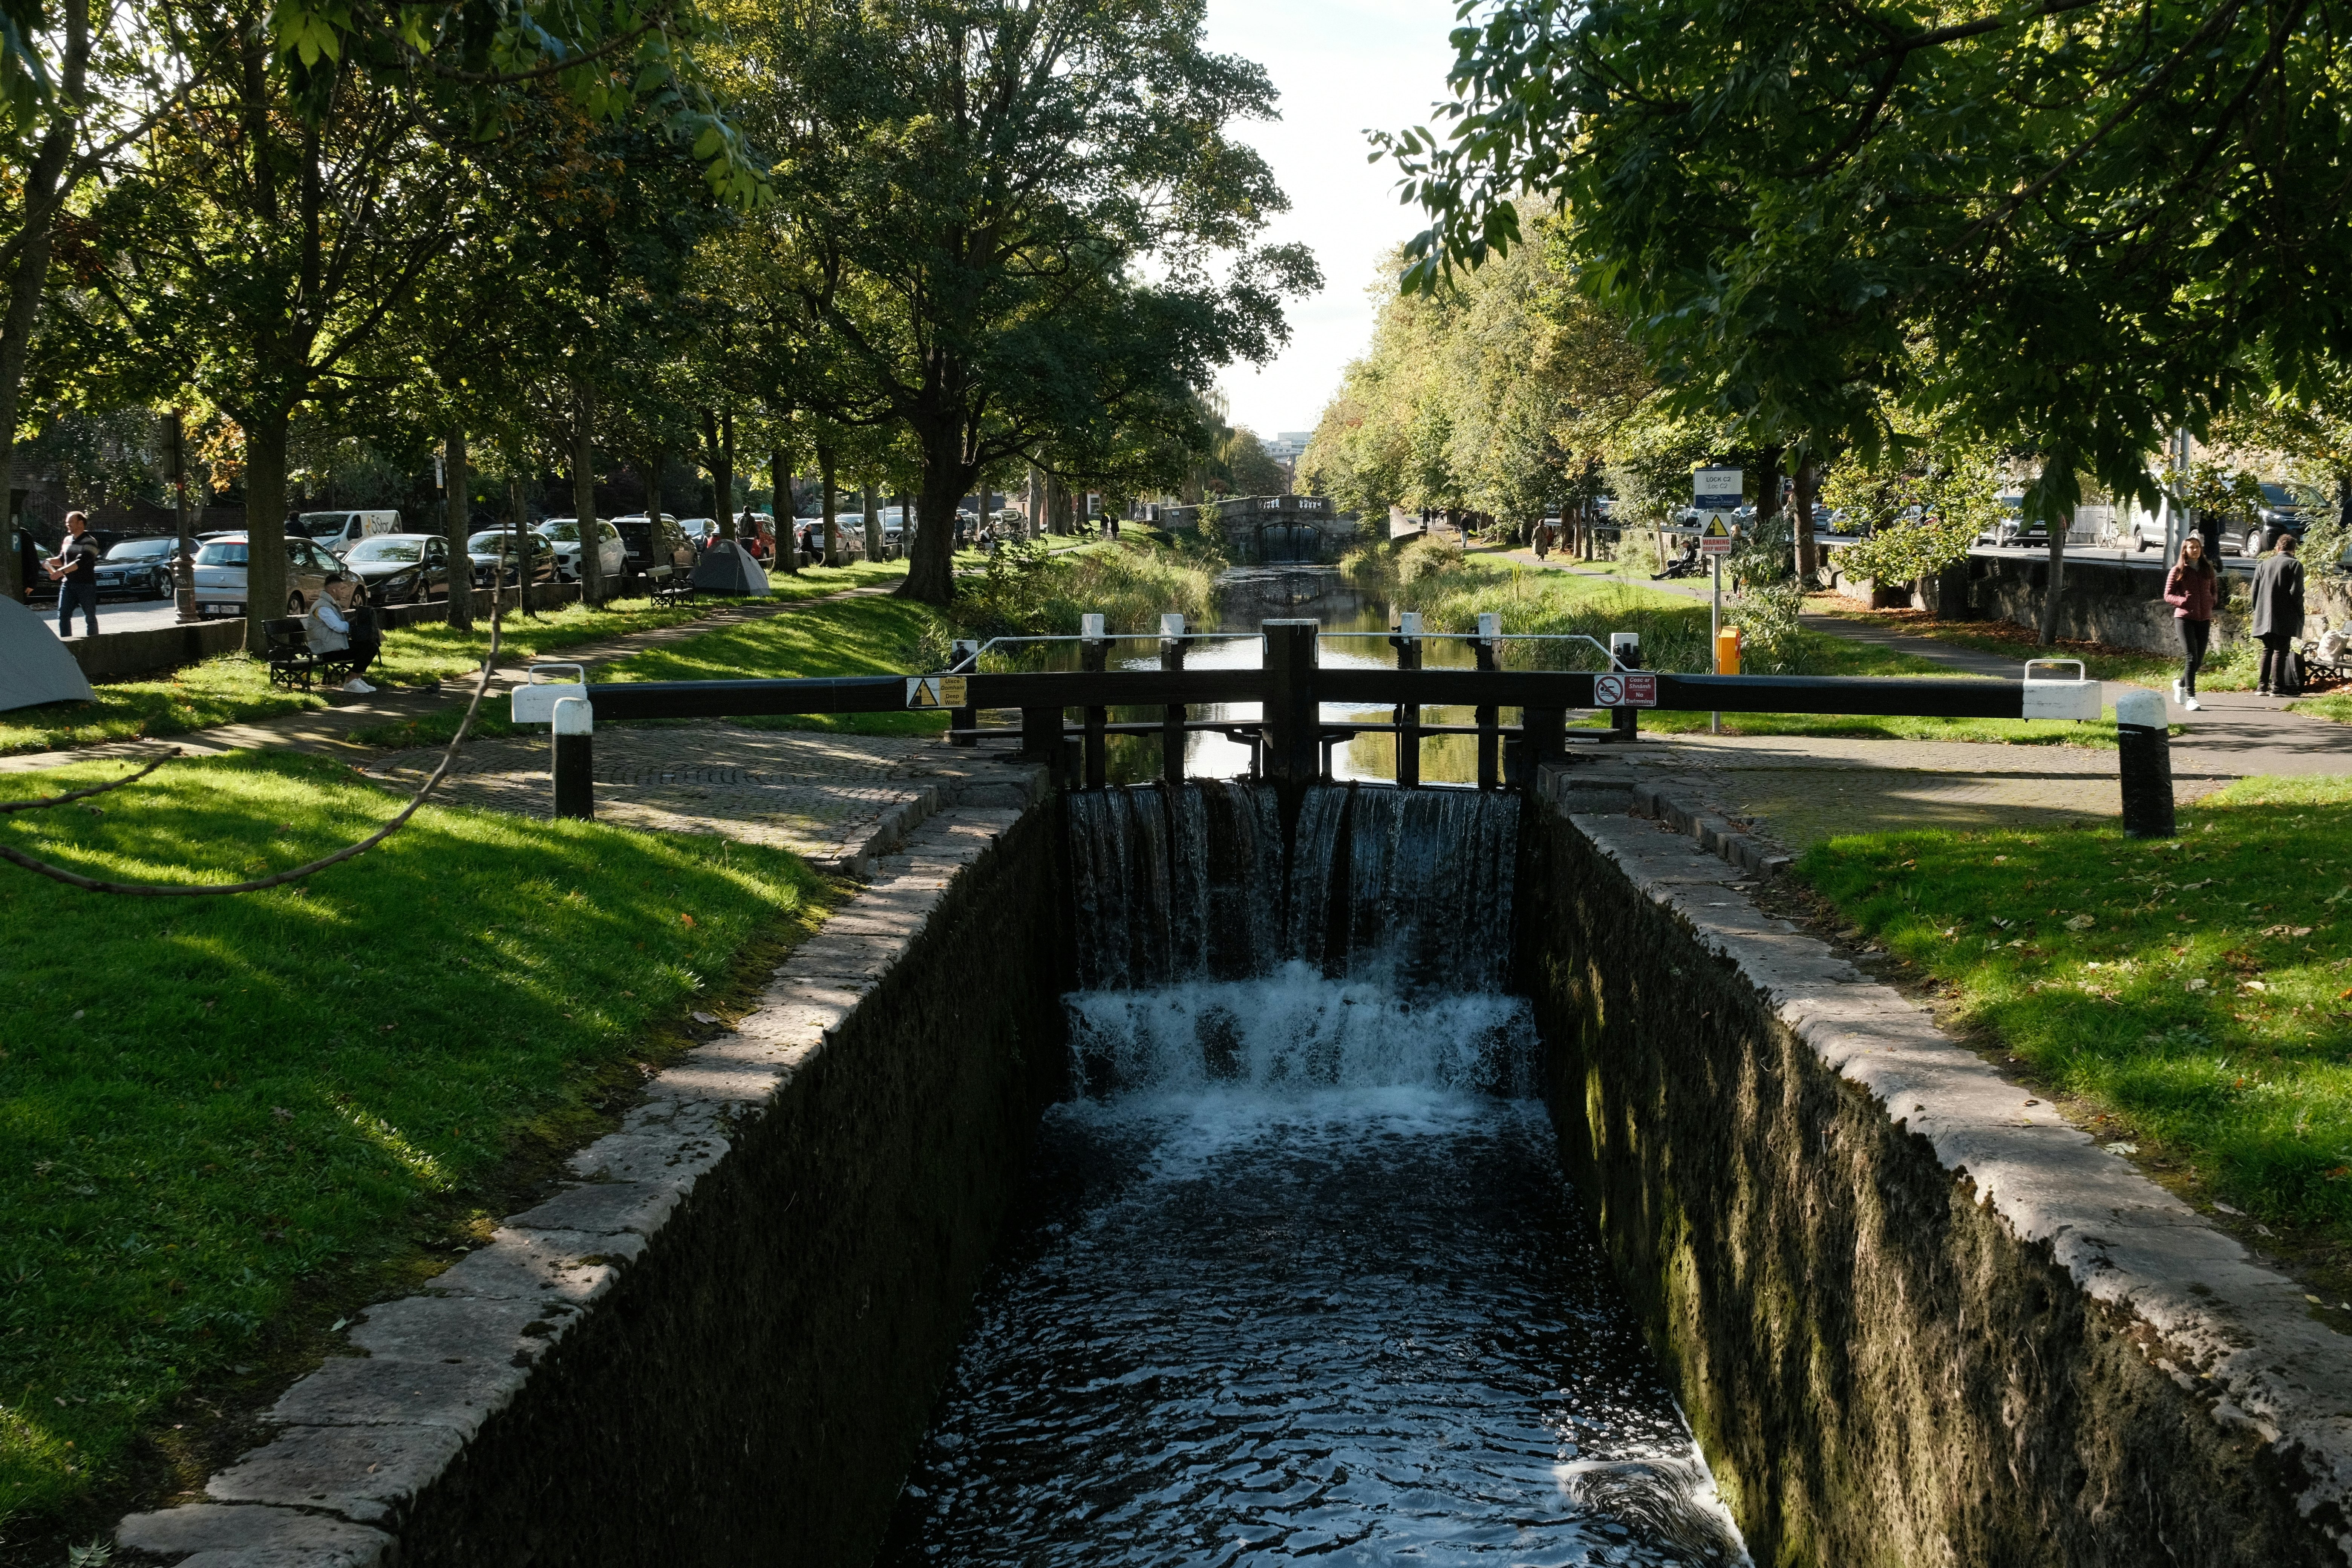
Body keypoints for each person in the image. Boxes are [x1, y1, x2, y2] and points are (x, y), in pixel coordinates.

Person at [2162, 533, 2219, 711]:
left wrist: (2212, 600)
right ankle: (2191, 698)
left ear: (2201, 550)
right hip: (2185, 617)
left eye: (2198, 547)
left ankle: (2180, 684)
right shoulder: (2178, 571)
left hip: (2204, 618)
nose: (2195, 550)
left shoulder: (2207, 569)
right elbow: (2167, 595)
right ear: (2185, 551)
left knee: (2199, 661)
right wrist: (2183, 601)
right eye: (2191, 547)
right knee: (2191, 657)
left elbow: (2214, 589)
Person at [2249, 533, 2305, 697]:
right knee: (2281, 651)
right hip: (2284, 615)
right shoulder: (2295, 565)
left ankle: (2261, 687)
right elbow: (2297, 592)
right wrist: (2299, 613)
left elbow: (2254, 591)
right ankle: (2278, 688)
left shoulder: (2263, 565)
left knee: (2267, 650)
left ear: (2278, 548)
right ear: (2294, 549)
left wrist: (2257, 610)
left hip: (2263, 615)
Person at [307, 574, 381, 693]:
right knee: (367, 646)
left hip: (335, 647)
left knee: (372, 646)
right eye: (342, 589)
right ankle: (351, 682)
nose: (344, 592)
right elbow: (338, 627)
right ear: (333, 590)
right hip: (326, 650)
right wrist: (354, 626)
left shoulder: (330, 605)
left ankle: (357, 678)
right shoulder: (322, 607)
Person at [44, 510, 101, 637]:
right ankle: (68, 644)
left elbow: (81, 562)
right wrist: (48, 562)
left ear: (81, 523)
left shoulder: (90, 542)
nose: (67, 525)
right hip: (68, 585)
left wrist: (61, 571)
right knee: (63, 616)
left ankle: (94, 644)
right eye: (67, 522)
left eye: (70, 522)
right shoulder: (67, 540)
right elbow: (61, 560)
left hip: (85, 585)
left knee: (90, 617)